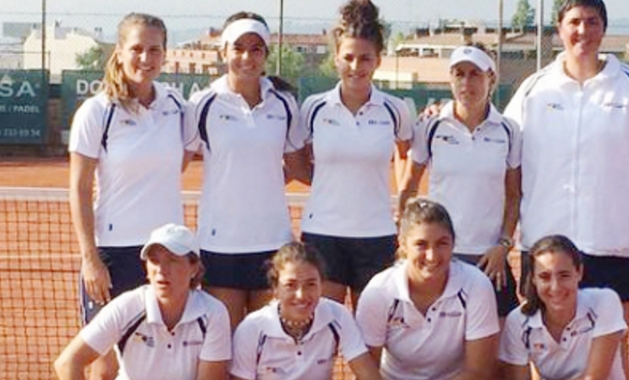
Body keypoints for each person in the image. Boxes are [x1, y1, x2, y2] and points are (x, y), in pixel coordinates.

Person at [503, 0, 629, 376]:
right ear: (560, 29)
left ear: (603, 28)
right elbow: (499, 145)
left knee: (616, 343)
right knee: (543, 339)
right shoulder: (534, 89)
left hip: (612, 241)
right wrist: (445, 115)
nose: (583, 31)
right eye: (574, 22)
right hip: (546, 246)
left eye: (592, 22)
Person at [67, 13, 198, 379]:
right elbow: (78, 187)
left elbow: (181, 161)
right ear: (120, 52)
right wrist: (90, 258)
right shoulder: (97, 112)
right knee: (108, 363)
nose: (145, 58)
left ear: (165, 54)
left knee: (159, 357)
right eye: (137, 49)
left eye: (154, 50)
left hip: (166, 254)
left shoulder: (177, 106)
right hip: (114, 253)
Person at [187, 11, 308, 330]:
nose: (246, 57)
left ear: (266, 55)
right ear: (223, 51)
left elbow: (299, 168)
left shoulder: (284, 104)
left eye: (256, 49)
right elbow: (175, 162)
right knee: (222, 347)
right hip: (219, 246)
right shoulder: (202, 104)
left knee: (268, 349)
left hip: (274, 245)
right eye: (238, 48)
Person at [297, 0, 413, 306]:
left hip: (376, 237)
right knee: (322, 331)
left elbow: (405, 155)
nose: (355, 66)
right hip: (323, 235)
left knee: (371, 334)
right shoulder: (313, 108)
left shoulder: (395, 110)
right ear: (336, 58)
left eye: (365, 58)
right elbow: (298, 159)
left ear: (378, 60)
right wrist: (326, 182)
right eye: (348, 57)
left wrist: (402, 202)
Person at [398, 43, 521, 325]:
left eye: (475, 74)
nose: (467, 82)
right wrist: (405, 240)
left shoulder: (509, 131)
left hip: (490, 261)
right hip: (440, 258)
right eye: (459, 74)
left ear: (491, 78)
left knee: (499, 356)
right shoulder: (429, 126)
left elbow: (514, 196)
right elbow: (409, 187)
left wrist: (502, 245)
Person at [54, 224, 232, 380]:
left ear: (194, 268)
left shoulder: (213, 314)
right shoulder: (126, 307)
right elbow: (68, 363)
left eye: (172, 260)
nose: (162, 270)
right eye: (154, 261)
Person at [355, 198, 500, 380]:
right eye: (421, 244)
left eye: (442, 243)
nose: (432, 256)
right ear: (403, 244)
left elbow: (477, 372)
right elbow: (367, 373)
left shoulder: (476, 285)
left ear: (454, 244)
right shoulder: (378, 292)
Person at [230, 241, 382, 380]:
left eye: (310, 284)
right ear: (275, 288)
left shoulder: (338, 316)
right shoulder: (251, 329)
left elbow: (368, 374)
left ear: (321, 285)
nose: (301, 295)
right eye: (290, 285)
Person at [499, 235, 627, 380]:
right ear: (533, 279)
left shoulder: (604, 302)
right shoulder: (517, 321)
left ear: (579, 272)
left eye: (564, 275)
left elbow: (594, 378)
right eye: (545, 277)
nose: (555, 287)